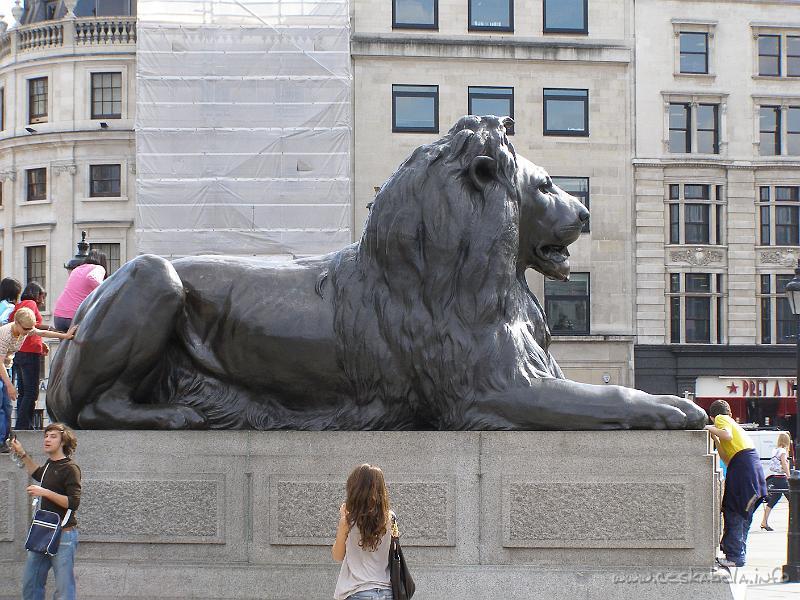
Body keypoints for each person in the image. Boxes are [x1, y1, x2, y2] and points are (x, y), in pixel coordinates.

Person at [9, 423, 81, 600]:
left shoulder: (71, 468)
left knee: (64, 591)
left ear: (63, 441)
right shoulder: (50, 465)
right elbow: (38, 473)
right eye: (46, 436)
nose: (47, 439)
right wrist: (22, 453)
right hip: (43, 533)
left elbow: (73, 502)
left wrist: (44, 492)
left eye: (53, 436)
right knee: (31, 584)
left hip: (63, 536)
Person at [705, 400, 767, 568]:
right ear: (731, 413)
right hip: (751, 469)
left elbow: (727, 435)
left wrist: (708, 428)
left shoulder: (721, 418)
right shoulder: (734, 424)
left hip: (743, 468)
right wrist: (715, 438)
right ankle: (738, 554)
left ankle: (734, 556)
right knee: (743, 513)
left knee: (734, 510)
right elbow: (727, 457)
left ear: (712, 417)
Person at [0, 308, 77, 436]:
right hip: (2, 366)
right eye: (25, 329)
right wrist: (9, 386)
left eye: (30, 329)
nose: (27, 333)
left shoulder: (26, 329)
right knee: (3, 404)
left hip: (6, 367)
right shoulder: (5, 335)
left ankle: (4, 438)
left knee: (7, 407)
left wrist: (65, 336)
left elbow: (42, 333)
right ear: (16, 323)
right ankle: (2, 439)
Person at [332, 464, 395, 600]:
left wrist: (343, 520)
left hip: (358, 591)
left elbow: (337, 556)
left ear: (355, 489)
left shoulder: (348, 521)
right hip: (387, 592)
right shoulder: (390, 518)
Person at [10, 283, 50, 430]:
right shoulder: (30, 304)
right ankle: (24, 425)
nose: (42, 301)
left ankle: (22, 425)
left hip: (19, 352)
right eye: (42, 296)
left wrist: (42, 343)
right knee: (31, 392)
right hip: (29, 352)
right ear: (36, 294)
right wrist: (50, 328)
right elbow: (31, 324)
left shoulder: (20, 305)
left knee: (23, 391)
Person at [53, 249, 107, 332]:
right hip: (75, 316)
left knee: (64, 344)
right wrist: (106, 290)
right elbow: (91, 278)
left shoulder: (76, 269)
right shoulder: (98, 268)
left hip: (59, 315)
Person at [0, 278, 21, 451]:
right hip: (5, 361)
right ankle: (4, 437)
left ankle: (6, 435)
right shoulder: (10, 309)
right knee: (4, 402)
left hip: (6, 360)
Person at [760, 432, 792, 531]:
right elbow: (784, 464)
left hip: (776, 477)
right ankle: (795, 522)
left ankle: (764, 522)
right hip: (782, 478)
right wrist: (789, 476)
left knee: (773, 500)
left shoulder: (775, 450)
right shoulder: (782, 451)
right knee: (793, 500)